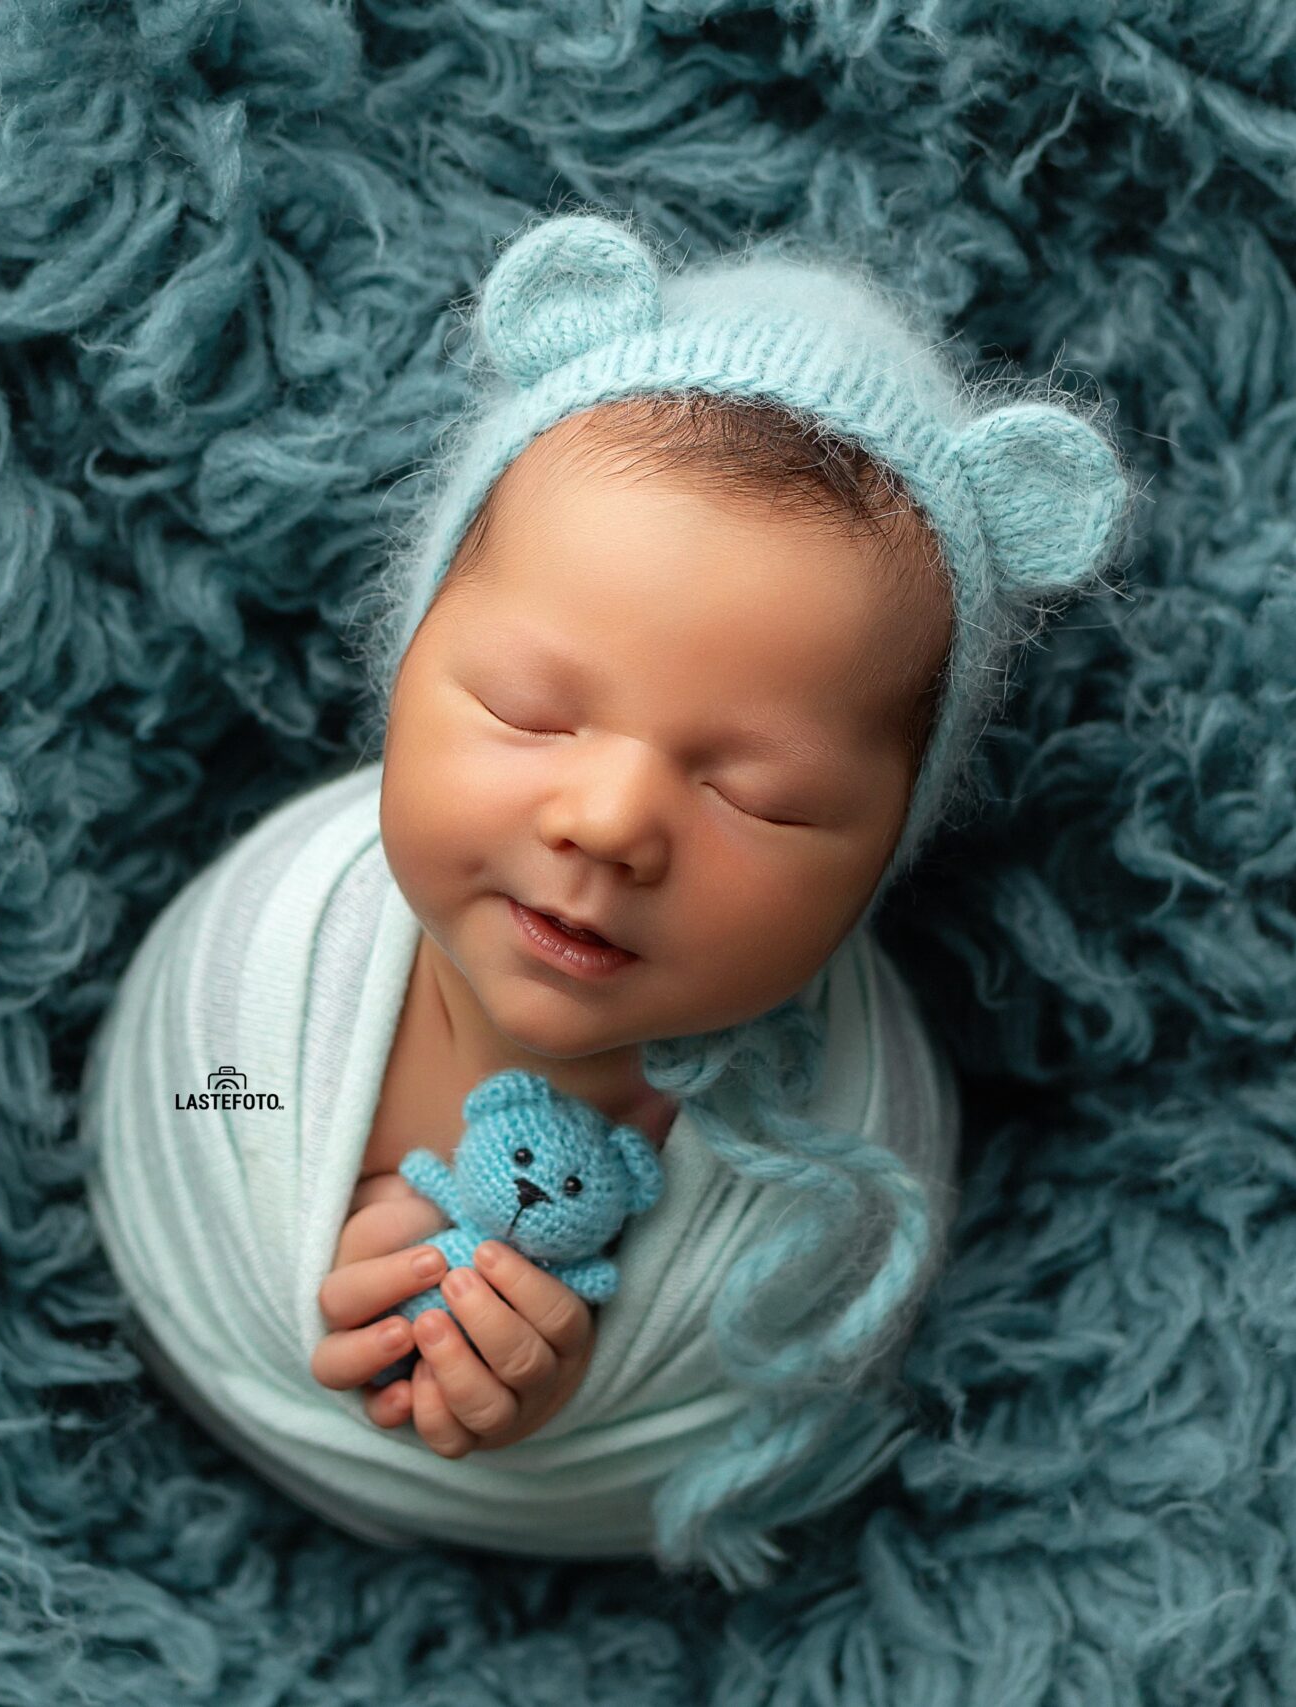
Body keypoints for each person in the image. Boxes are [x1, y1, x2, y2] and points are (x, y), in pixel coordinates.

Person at [81, 209, 1131, 1588]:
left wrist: (554, 1400)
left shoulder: (835, 1147)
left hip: (573, 1545)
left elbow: (796, 1373)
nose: (614, 821)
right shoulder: (277, 963)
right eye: (529, 714)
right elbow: (196, 1097)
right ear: (406, 678)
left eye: (756, 795)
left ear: (885, 852)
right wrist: (302, 1236)